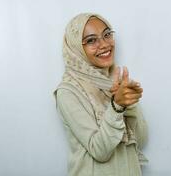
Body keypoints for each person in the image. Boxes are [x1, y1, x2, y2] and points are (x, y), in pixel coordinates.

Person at [54, 13, 148, 176]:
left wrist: (129, 104)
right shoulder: (68, 91)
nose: (104, 44)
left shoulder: (115, 83)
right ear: (76, 48)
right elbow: (100, 151)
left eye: (107, 35)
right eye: (91, 40)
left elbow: (140, 140)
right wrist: (117, 106)